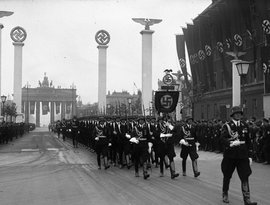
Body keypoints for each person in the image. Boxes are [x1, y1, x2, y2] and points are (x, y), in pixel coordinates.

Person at [220, 106, 257, 205]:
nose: (238, 115)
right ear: (232, 115)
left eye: (240, 113)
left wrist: (249, 155)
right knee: (227, 175)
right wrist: (230, 143)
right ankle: (225, 194)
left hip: (242, 155)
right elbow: (222, 139)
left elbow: (249, 142)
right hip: (230, 155)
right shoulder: (227, 126)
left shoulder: (245, 125)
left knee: (245, 176)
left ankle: (247, 198)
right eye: (236, 113)